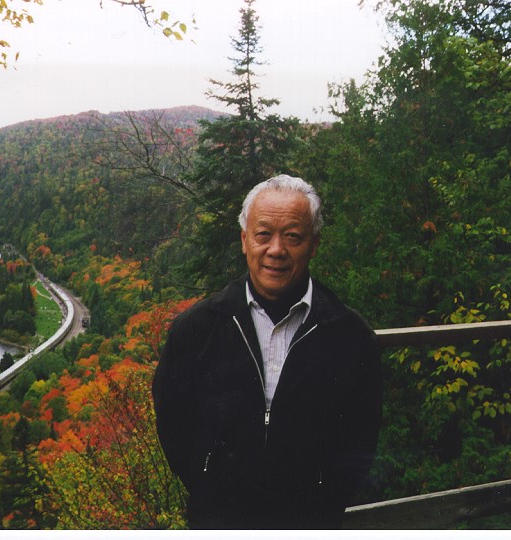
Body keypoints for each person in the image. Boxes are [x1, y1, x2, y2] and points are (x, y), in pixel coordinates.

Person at [152, 174, 382, 529]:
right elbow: (174, 425)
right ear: (244, 240)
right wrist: (209, 485)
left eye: (293, 236)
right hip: (219, 521)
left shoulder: (350, 336)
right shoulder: (197, 329)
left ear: (314, 244)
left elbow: (360, 438)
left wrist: (327, 499)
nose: (276, 249)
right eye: (263, 235)